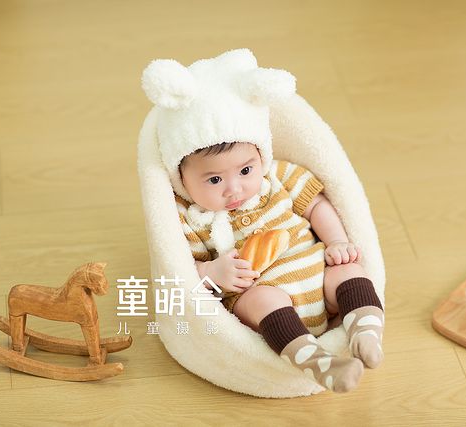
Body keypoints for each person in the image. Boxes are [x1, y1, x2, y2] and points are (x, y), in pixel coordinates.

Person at [142, 48, 384, 393]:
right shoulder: (191, 218)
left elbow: (317, 206)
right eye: (214, 179)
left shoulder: (277, 178)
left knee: (349, 271)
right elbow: (180, 271)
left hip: (318, 277)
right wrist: (213, 272)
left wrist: (336, 242)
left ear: (260, 156)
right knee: (261, 300)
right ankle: (316, 362)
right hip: (264, 300)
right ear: (182, 180)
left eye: (245, 170)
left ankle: (366, 333)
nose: (234, 188)